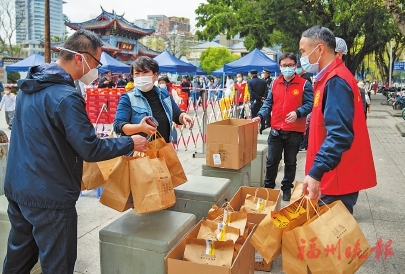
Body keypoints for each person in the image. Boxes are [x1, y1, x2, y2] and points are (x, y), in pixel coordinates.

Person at [2, 29, 149, 273]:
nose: (97, 70)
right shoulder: (66, 97)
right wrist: (129, 142)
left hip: (19, 186)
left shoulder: (29, 86)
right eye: (96, 62)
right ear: (80, 58)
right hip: (50, 195)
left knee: (18, 259)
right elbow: (90, 148)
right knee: (57, 264)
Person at [299, 25, 377, 214]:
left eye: (303, 51)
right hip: (333, 174)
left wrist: (317, 171)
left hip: (335, 177)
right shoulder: (329, 78)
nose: (301, 57)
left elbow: (339, 134)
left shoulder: (335, 81)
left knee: (334, 238)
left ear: (319, 49)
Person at [252, 52, 313, 201]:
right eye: (284, 66)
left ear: (296, 66)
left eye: (290, 65)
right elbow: (268, 103)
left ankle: (286, 188)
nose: (287, 68)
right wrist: (260, 115)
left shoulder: (305, 84)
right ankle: (269, 188)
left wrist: (298, 113)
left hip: (294, 131)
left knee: (290, 162)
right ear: (279, 67)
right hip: (276, 130)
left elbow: (310, 104)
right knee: (272, 161)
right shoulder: (274, 83)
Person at [113, 56, 193, 144]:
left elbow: (176, 114)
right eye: (137, 73)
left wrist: (183, 116)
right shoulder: (127, 98)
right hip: (139, 153)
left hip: (164, 150)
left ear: (155, 75)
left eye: (145, 72)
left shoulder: (164, 94)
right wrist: (140, 127)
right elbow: (118, 126)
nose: (141, 76)